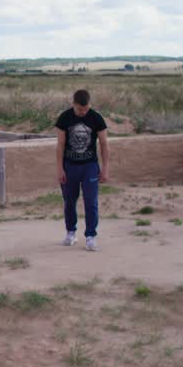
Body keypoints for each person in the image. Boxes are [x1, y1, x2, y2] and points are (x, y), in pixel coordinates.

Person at [55, 89, 109, 251]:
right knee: (69, 201)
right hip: (69, 166)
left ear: (89, 105)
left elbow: (104, 144)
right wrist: (59, 169)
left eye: (85, 110)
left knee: (91, 202)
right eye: (79, 110)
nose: (82, 113)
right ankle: (71, 232)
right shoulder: (64, 118)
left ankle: (91, 236)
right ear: (73, 104)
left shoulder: (96, 118)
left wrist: (105, 168)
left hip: (90, 167)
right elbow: (60, 145)